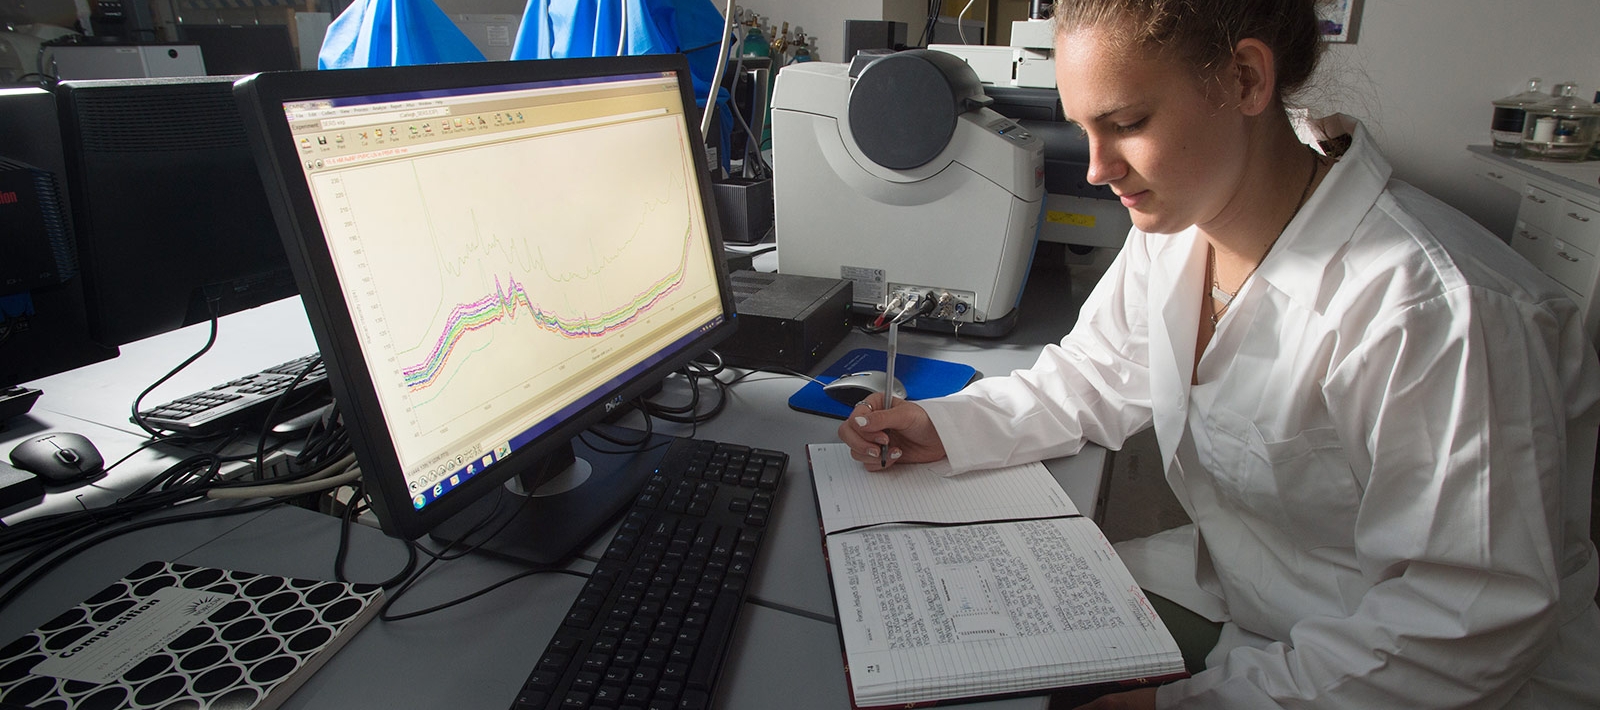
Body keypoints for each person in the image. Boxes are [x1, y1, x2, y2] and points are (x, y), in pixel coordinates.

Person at [836, 0, 1600, 707]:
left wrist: (1184, 706)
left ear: (1244, 79)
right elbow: (1099, 372)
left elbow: (1462, 625)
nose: (1098, 169)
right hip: (1258, 600)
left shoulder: (1436, 309)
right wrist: (948, 424)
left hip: (1417, 677)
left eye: (1127, 122)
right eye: (1084, 129)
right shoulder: (1181, 229)